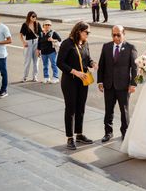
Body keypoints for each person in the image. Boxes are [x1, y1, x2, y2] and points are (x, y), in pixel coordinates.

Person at [57, 21, 97, 150]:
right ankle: (70, 137)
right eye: (87, 32)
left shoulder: (85, 43)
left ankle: (79, 134)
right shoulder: (67, 43)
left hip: (83, 81)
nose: (88, 35)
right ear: (79, 31)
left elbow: (87, 59)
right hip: (70, 81)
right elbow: (60, 63)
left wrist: (93, 63)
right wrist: (75, 72)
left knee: (81, 108)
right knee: (71, 109)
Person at [97, 25, 137, 142]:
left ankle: (125, 133)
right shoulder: (106, 47)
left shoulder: (130, 48)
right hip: (109, 85)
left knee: (124, 110)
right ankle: (108, 133)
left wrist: (133, 83)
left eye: (118, 35)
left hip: (123, 86)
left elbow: (134, 68)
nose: (116, 37)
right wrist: (100, 81)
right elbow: (102, 65)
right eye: (113, 35)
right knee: (108, 110)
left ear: (124, 34)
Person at [19, 11, 41, 82]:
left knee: (36, 61)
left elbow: (40, 36)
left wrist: (39, 47)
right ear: (29, 17)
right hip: (28, 43)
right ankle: (25, 77)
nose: (34, 18)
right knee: (27, 61)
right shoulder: (25, 25)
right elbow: (21, 35)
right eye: (33, 16)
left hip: (36, 42)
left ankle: (35, 77)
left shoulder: (37, 24)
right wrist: (23, 42)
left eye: (35, 16)